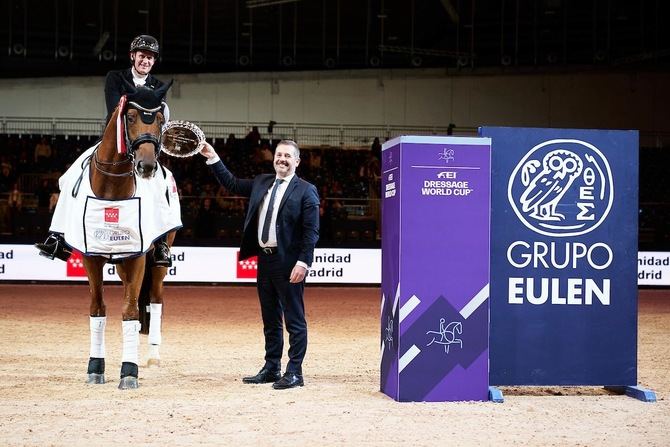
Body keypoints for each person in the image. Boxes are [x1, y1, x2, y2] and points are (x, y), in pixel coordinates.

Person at [36, 34, 172, 266]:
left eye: (150, 58)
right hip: (115, 140)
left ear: (154, 61)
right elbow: (113, 112)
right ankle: (57, 238)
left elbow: (155, 117)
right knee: (71, 177)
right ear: (133, 56)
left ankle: (161, 243)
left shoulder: (158, 86)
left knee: (163, 181)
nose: (145, 61)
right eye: (142, 56)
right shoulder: (115, 77)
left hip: (142, 146)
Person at [200, 139, 319, 390]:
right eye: (279, 155)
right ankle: (271, 368)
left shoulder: (306, 190)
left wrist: (303, 262)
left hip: (289, 262)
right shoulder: (262, 182)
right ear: (273, 158)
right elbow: (231, 183)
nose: (282, 159)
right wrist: (212, 157)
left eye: (288, 156)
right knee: (270, 318)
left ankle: (295, 372)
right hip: (264, 260)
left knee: (294, 319)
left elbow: (311, 232)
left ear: (297, 161)